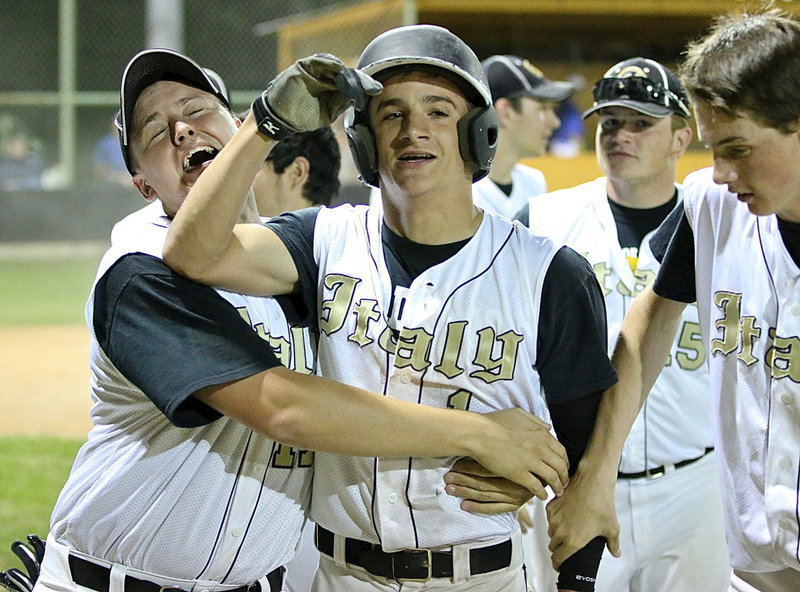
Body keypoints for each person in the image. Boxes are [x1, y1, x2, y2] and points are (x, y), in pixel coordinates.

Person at [31, 48, 572, 592]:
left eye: (197, 111)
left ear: (231, 125)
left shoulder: (303, 259)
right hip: (119, 579)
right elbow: (285, 408)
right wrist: (480, 436)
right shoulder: (140, 274)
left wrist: (489, 481)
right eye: (154, 133)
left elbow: (391, 381)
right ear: (144, 184)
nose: (179, 130)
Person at [164, 25, 619, 592]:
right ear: (364, 141)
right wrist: (263, 127)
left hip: (483, 577)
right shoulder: (323, 240)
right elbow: (193, 254)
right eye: (391, 114)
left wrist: (575, 577)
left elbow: (583, 461)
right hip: (339, 575)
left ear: (479, 133)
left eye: (439, 111)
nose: (414, 131)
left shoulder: (549, 274)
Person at [555, 8, 800, 592]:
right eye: (712, 147)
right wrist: (595, 473)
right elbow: (647, 325)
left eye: (737, 148)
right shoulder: (714, 208)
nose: (718, 172)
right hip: (754, 567)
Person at [516, 57, 730, 592]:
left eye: (640, 123)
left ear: (683, 137)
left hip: (694, 482)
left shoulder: (720, 218)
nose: (620, 136)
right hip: (574, 481)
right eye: (610, 122)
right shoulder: (543, 219)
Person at [472, 55, 574, 219]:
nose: (555, 122)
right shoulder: (459, 192)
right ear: (505, 111)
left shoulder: (534, 182)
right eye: (542, 108)